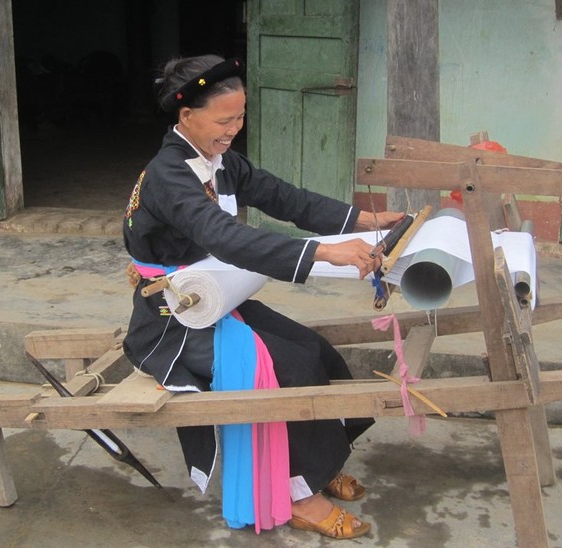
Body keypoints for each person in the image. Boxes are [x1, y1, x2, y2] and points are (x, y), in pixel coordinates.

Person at [122, 54, 405, 540]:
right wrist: (325, 253)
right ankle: (300, 494)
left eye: (241, 117)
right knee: (282, 369)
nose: (234, 128)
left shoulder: (221, 163)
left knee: (311, 350)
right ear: (186, 117)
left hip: (216, 295)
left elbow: (286, 199)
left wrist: (369, 222)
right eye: (224, 119)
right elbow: (226, 238)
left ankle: (317, 467)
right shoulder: (169, 175)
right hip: (173, 316)